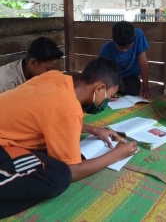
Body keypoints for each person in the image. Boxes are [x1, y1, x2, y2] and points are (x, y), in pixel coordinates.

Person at [0, 57, 137, 218]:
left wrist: (92, 129)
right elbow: (73, 171)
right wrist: (116, 155)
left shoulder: (56, 78)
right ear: (99, 88)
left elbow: (49, 116)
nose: (106, 102)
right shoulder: (68, 108)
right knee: (60, 175)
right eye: (108, 97)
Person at [100, 21, 150, 99]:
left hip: (130, 77)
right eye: (120, 47)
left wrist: (146, 89)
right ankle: (114, 89)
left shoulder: (138, 35)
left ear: (134, 36)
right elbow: (103, 73)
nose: (125, 50)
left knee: (134, 88)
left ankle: (116, 89)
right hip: (114, 78)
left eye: (129, 47)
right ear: (113, 39)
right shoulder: (106, 49)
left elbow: (143, 63)